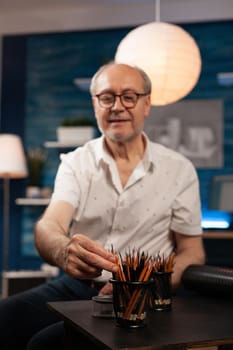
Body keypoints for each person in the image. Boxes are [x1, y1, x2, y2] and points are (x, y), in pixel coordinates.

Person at [0, 62, 205, 349]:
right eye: (107, 97)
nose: (117, 106)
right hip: (76, 286)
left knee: (45, 345)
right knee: (5, 319)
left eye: (129, 96)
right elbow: (50, 225)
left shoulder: (179, 169)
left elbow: (191, 252)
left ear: (147, 104)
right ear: (95, 104)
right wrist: (63, 250)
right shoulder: (75, 162)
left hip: (140, 295)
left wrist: (146, 284)